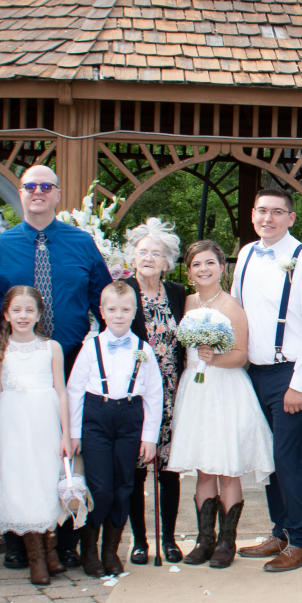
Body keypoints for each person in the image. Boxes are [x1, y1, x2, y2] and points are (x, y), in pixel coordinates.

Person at [0, 164, 111, 570]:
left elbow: (104, 302)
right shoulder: (0, 246)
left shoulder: (81, 243)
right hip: (18, 366)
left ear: (57, 194)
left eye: (46, 186)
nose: (37, 192)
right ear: (20, 193)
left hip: (69, 362)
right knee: (19, 452)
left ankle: (64, 541)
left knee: (65, 452)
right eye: (30, 186)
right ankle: (19, 541)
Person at [230, 187, 302, 573]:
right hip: (254, 373)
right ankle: (281, 532)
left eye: (276, 212)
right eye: (262, 211)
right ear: (253, 215)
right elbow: (237, 310)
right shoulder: (246, 254)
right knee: (269, 459)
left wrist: (298, 384)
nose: (267, 218)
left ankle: (301, 541)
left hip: (290, 372)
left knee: (290, 461)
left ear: (291, 217)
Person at [170, 240, 274, 567]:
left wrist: (214, 357)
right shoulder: (186, 303)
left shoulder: (232, 307)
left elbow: (241, 356)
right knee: (204, 470)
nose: (203, 269)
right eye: (196, 264)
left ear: (221, 268)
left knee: (227, 469)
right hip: (195, 391)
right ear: (189, 272)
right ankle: (205, 540)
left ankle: (227, 542)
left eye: (209, 263)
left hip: (226, 389)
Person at [67, 281, 162, 575]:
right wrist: (74, 433)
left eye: (125, 309)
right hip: (97, 418)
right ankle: (88, 550)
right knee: (101, 488)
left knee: (124, 486)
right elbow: (74, 391)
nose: (118, 315)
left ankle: (110, 552)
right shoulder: (90, 347)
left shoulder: (144, 349)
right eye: (112, 309)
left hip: (130, 418)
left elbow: (154, 394)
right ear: (102, 311)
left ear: (135, 311)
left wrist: (149, 437)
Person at [0, 287, 71, 583]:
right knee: (21, 483)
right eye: (17, 310)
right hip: (12, 424)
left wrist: (66, 433)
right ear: (6, 314)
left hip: (44, 422)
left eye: (29, 310)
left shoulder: (51, 348)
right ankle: (37, 559)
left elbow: (61, 392)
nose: (23, 316)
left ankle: (51, 551)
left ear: (38, 315)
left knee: (45, 481)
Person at [127, 217, 188, 564]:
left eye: (157, 253)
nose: (149, 258)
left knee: (168, 469)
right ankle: (139, 541)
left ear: (167, 261)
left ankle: (168, 539)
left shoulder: (178, 293)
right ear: (132, 257)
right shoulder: (122, 291)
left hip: (171, 391)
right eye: (143, 251)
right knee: (137, 468)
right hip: (135, 394)